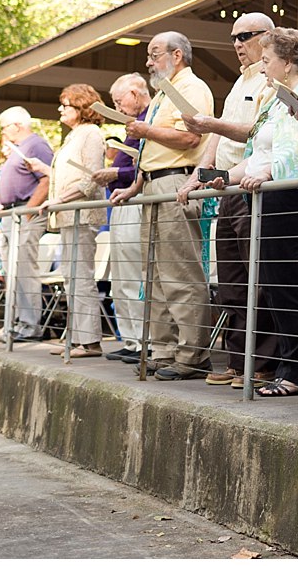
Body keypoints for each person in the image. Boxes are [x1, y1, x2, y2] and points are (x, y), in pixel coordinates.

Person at [222, 27, 298, 396]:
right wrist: (224, 177)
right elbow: (258, 152)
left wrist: (267, 173)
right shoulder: (272, 99)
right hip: (269, 195)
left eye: (267, 59)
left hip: (296, 196)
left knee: (289, 284)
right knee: (273, 285)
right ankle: (296, 364)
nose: (262, 65)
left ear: (287, 63)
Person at [177, 12, 278, 387]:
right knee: (233, 280)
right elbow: (216, 137)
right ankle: (238, 360)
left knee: (257, 277)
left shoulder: (270, 80)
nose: (237, 44)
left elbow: (257, 130)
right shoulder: (240, 81)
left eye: (245, 36)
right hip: (226, 188)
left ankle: (263, 363)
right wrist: (197, 175)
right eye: (233, 37)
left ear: (267, 36)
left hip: (252, 184)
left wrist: (210, 124)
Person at [109, 32, 215, 381]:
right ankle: (164, 347)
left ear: (177, 55)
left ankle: (192, 354)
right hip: (154, 185)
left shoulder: (192, 88)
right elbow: (153, 153)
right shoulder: (161, 94)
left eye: (154, 54)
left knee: (181, 273)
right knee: (154, 274)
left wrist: (146, 131)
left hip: (175, 182)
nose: (149, 62)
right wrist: (135, 186)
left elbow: (191, 137)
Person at [34, 84, 108, 358]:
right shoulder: (74, 135)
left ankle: (89, 341)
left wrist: (59, 200)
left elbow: (91, 177)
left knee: (80, 275)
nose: (60, 109)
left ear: (81, 107)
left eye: (65, 105)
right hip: (69, 214)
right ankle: (77, 338)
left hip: (81, 214)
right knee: (70, 275)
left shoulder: (90, 133)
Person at [97, 74, 152, 364]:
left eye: (119, 101)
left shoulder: (148, 119)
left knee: (133, 273)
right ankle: (129, 339)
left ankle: (143, 340)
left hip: (134, 199)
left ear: (134, 93)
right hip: (121, 199)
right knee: (121, 276)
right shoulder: (132, 124)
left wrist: (116, 173)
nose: (117, 106)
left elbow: (146, 165)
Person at [0, 106, 55, 342]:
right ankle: (18, 322)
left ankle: (30, 326)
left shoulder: (36, 145)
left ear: (17, 125)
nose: (2, 131)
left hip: (26, 211)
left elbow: (47, 178)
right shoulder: (16, 149)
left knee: (24, 268)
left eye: (4, 127)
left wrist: (29, 211)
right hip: (12, 212)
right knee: (12, 271)